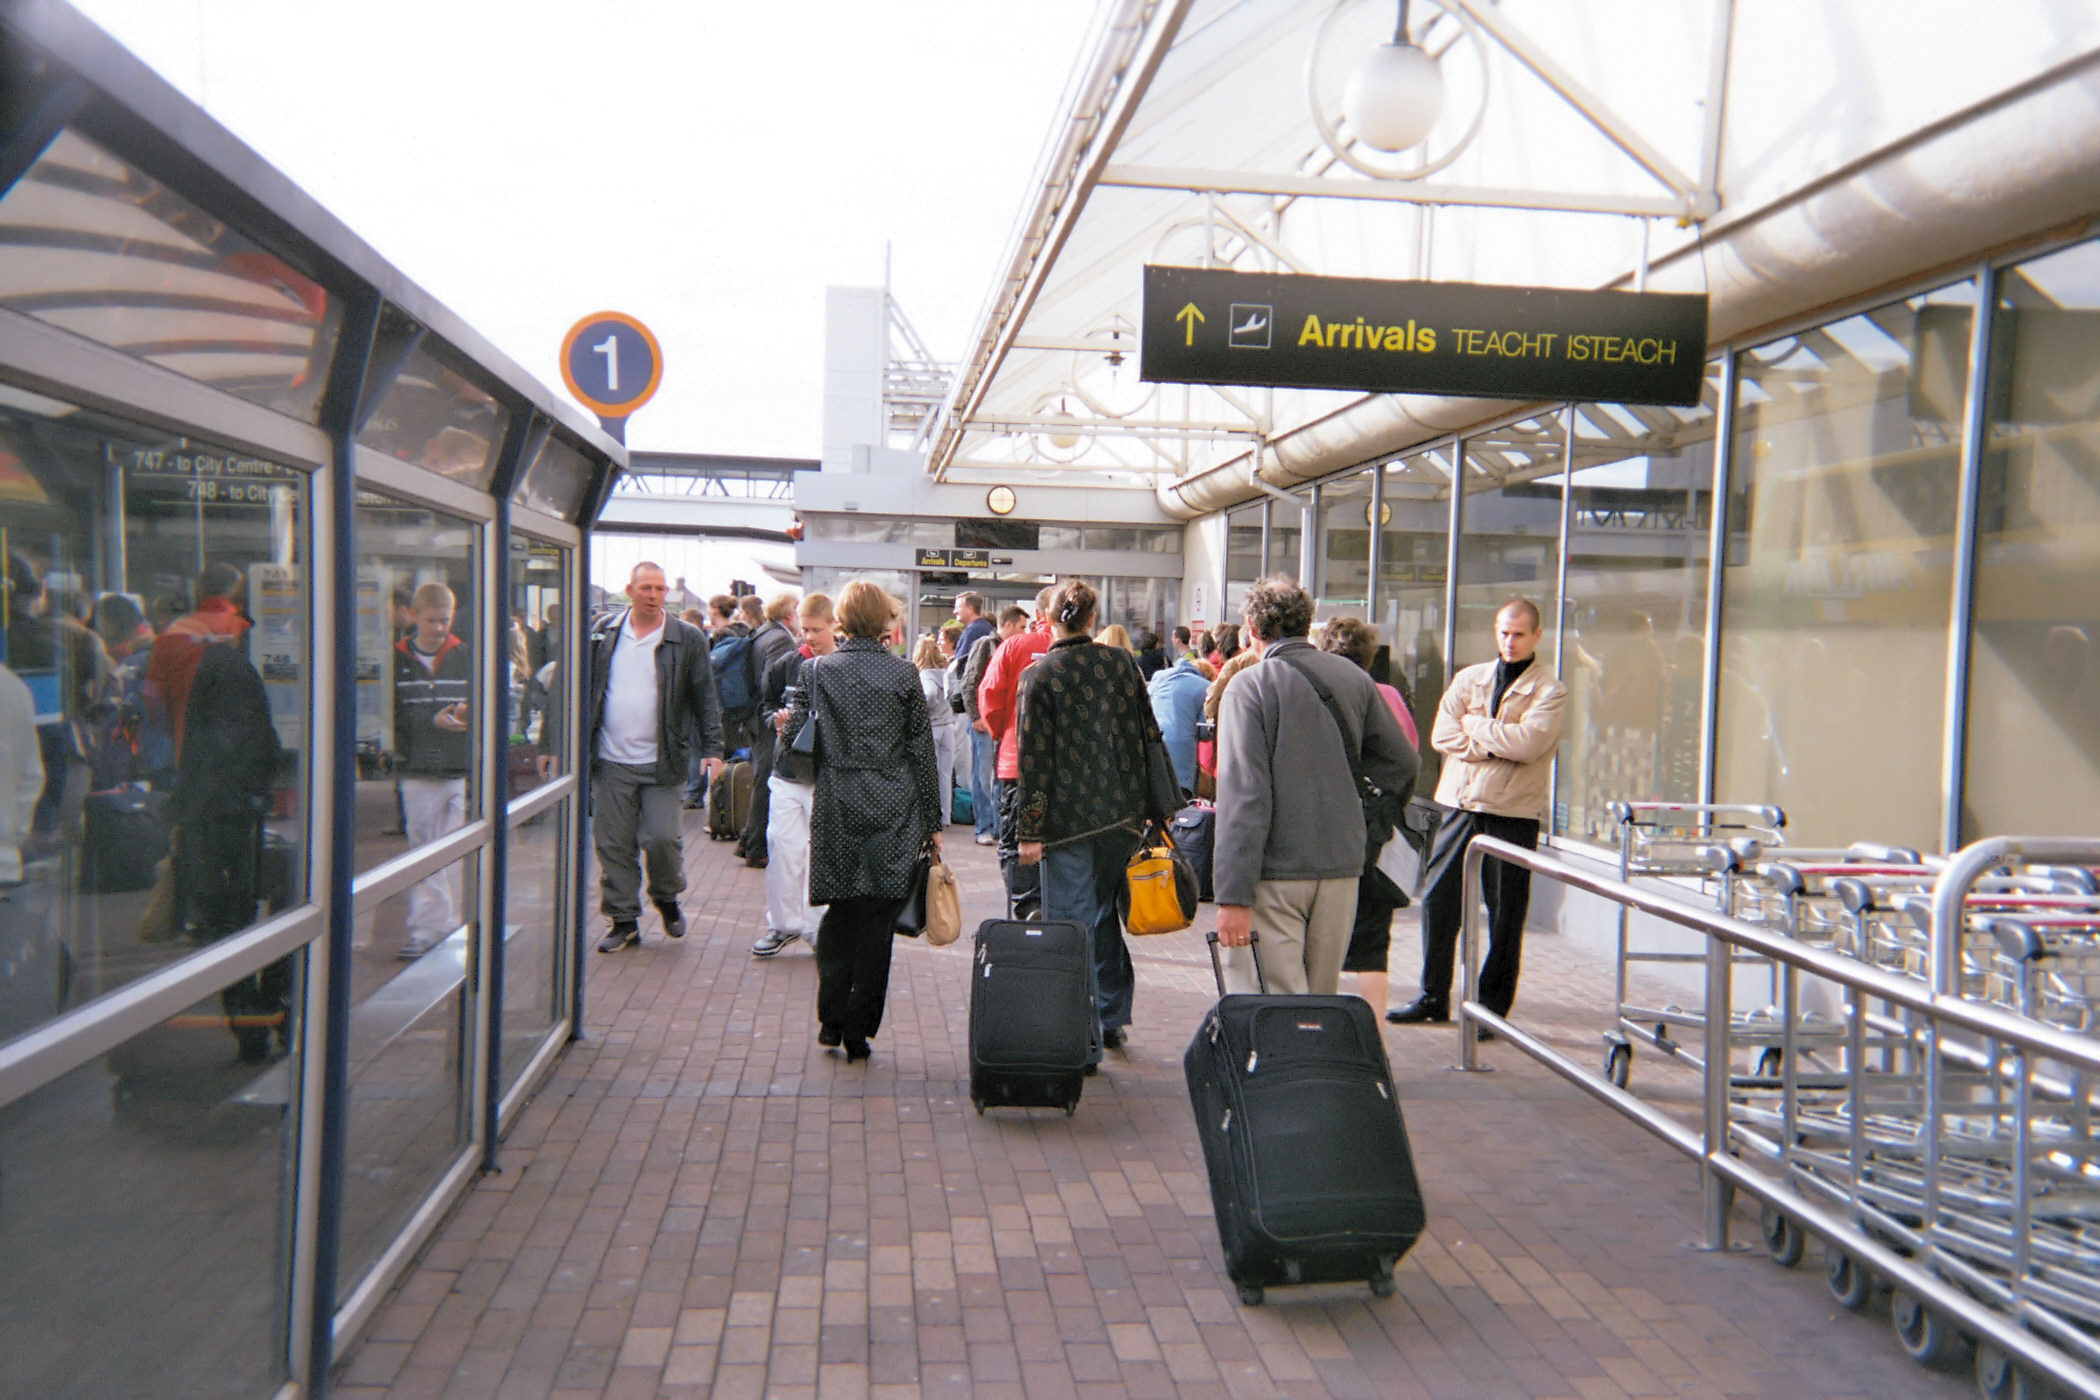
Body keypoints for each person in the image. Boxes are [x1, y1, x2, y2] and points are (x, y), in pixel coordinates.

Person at [1213, 577, 1415, 996]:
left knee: (1277, 1002)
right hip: (1342, 863)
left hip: (1277, 869)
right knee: (1320, 1000)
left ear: (1251, 625)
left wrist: (1232, 893)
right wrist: (1367, 825)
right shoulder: (1354, 678)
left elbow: (1243, 794)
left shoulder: (1249, 686)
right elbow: (1402, 762)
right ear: (1307, 624)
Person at [1390, 598, 1567, 1029]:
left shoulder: (1550, 690)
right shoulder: (1471, 678)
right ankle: (1433, 996)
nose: (1509, 641)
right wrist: (1495, 743)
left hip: (1511, 813)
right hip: (1459, 804)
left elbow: (1529, 744)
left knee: (1505, 913)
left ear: (1537, 636)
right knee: (1437, 900)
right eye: (1504, 632)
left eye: (1519, 634)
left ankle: (1491, 1010)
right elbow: (1440, 735)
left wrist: (1474, 728)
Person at [785, 581, 941, 1061]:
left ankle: (830, 1019)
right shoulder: (903, 674)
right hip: (894, 802)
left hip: (837, 799)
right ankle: (859, 1028)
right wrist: (933, 820)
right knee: (877, 918)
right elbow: (921, 749)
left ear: (842, 620)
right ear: (885, 621)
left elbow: (794, 739)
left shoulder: (815, 671)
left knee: (839, 910)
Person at [1015, 580, 1160, 1056]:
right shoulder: (1120, 664)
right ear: (1093, 619)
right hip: (1122, 815)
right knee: (1103, 918)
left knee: (1072, 927)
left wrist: (1029, 831)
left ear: (1047, 619)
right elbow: (1147, 733)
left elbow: (1033, 761)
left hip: (1066, 824)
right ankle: (1112, 1016)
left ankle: (1082, 1040)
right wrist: (1155, 807)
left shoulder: (1039, 677)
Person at [587, 561, 724, 952]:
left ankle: (666, 896)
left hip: (663, 760)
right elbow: (578, 688)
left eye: (660, 589)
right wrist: (553, 743)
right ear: (628, 589)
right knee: (613, 844)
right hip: (611, 759)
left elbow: (705, 698)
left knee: (662, 838)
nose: (653, 595)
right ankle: (624, 919)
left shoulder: (687, 638)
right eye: (646, 587)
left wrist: (713, 749)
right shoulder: (603, 633)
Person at [1317, 616, 1421, 1015]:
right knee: (1373, 943)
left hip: (1332, 834)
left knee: (1322, 939)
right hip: (1378, 833)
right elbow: (1408, 759)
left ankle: (1325, 1035)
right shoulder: (1390, 696)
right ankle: (1373, 1041)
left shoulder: (1326, 698)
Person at [393, 582, 473, 958]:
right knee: (423, 849)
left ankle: (439, 924)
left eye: (445, 620)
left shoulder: (466, 657)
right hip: (418, 770)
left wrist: (467, 717)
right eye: (431, 620)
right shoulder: (396, 661)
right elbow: (391, 716)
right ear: (413, 616)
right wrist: (432, 721)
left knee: (448, 851)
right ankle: (429, 928)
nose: (439, 628)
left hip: (457, 768)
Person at [752, 593, 832, 957]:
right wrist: (776, 720)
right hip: (787, 771)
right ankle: (784, 924)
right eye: (805, 629)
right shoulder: (787, 663)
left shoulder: (843, 665)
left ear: (835, 626)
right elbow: (766, 706)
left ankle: (817, 926)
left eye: (816, 629)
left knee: (821, 855)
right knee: (783, 849)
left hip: (826, 777)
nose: (809, 637)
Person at [978, 585, 1059, 918]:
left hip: (1016, 764)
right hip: (1064, 767)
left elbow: (991, 696)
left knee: (1015, 843)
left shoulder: (1014, 646)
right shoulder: (1083, 651)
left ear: (1039, 614)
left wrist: (1002, 734)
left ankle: (1028, 906)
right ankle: (1057, 906)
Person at [738, 593, 802, 866]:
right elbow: (771, 680)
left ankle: (748, 841)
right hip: (766, 719)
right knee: (766, 779)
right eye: (798, 614)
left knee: (761, 777)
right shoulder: (781, 639)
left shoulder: (761, 633)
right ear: (789, 616)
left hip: (750, 716)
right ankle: (755, 847)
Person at [961, 605, 1024, 847]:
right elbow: (970, 681)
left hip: (1000, 722)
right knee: (983, 775)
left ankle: (998, 827)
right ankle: (984, 827)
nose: (1022, 632)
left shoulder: (1009, 648)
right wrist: (976, 716)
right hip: (984, 722)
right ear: (1007, 625)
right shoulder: (986, 645)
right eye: (1020, 627)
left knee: (998, 776)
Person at [1147, 643, 1209, 793]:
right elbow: (1205, 731)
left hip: (1154, 746)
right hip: (1182, 755)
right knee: (1182, 802)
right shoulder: (1205, 686)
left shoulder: (1159, 678)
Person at [912, 634, 956, 825]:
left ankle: (932, 816)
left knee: (930, 773)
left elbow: (929, 695)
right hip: (948, 727)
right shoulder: (945, 672)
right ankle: (945, 815)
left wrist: (922, 708)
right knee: (945, 775)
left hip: (933, 728)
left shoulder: (926, 675)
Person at [952, 591, 992, 660]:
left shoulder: (973, 631)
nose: (954, 612)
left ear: (970, 609)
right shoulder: (985, 626)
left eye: (958, 608)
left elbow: (960, 662)